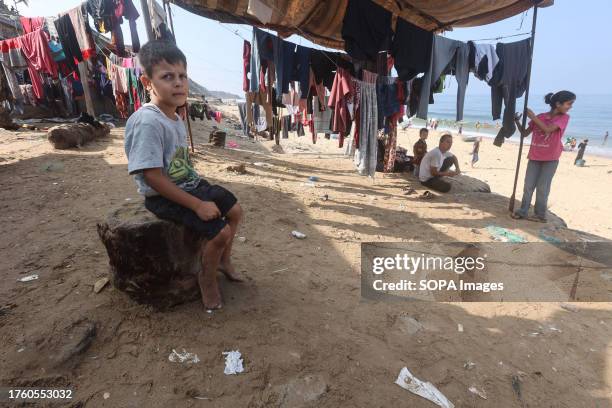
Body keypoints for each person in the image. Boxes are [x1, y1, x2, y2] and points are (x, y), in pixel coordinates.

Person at [124, 40, 243, 310]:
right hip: (162, 195)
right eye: (167, 77)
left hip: (187, 184)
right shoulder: (148, 121)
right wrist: (197, 204)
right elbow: (153, 177)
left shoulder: (175, 117)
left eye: (182, 76)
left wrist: (199, 194)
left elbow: (179, 165)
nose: (178, 83)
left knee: (235, 211)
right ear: (147, 82)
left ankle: (224, 260)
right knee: (220, 232)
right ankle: (207, 279)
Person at [512, 90, 575, 222]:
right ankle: (523, 211)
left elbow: (548, 129)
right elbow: (524, 133)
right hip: (535, 155)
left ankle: (540, 215)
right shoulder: (540, 117)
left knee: (542, 187)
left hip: (551, 157)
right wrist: (517, 121)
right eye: (569, 104)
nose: (571, 107)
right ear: (558, 104)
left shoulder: (564, 118)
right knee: (528, 185)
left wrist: (533, 117)